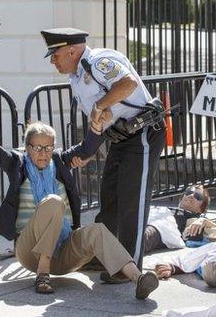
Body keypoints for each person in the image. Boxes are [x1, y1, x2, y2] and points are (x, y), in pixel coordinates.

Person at [0, 119, 159, 299]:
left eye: (48, 148)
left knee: (97, 230)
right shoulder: (16, 164)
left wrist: (97, 122)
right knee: (54, 202)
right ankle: (42, 273)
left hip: (64, 252)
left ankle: (139, 279)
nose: (43, 153)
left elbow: (86, 147)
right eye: (38, 147)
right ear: (27, 147)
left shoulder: (60, 162)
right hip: (29, 251)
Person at [40, 28, 166, 274]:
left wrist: (101, 105)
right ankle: (103, 255)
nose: (53, 61)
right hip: (119, 137)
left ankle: (129, 267)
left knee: (132, 202)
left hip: (142, 132)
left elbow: (127, 83)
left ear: (72, 50)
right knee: (109, 198)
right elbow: (99, 123)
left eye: (55, 54)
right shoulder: (76, 78)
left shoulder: (99, 61)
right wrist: (86, 152)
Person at [144, 185, 210, 254]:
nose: (191, 196)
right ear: (181, 199)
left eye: (198, 196)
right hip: (149, 218)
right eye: (188, 192)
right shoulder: (168, 210)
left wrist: (203, 220)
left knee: (140, 238)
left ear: (202, 208)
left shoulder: (195, 219)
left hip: (161, 228)